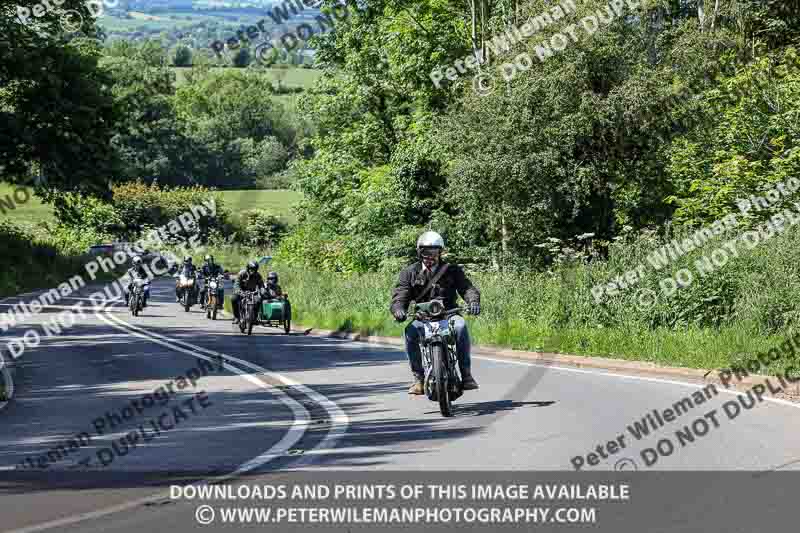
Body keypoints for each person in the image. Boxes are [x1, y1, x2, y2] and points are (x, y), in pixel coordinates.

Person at [390, 231, 481, 395]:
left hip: (449, 314)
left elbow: (466, 288)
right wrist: (398, 309)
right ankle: (418, 378)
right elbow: (400, 294)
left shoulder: (452, 270)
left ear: (441, 252)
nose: (429, 256)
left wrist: (473, 301)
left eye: (434, 251)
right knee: (409, 332)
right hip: (423, 318)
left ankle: (466, 375)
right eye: (425, 251)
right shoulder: (409, 272)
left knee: (460, 327)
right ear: (419, 252)